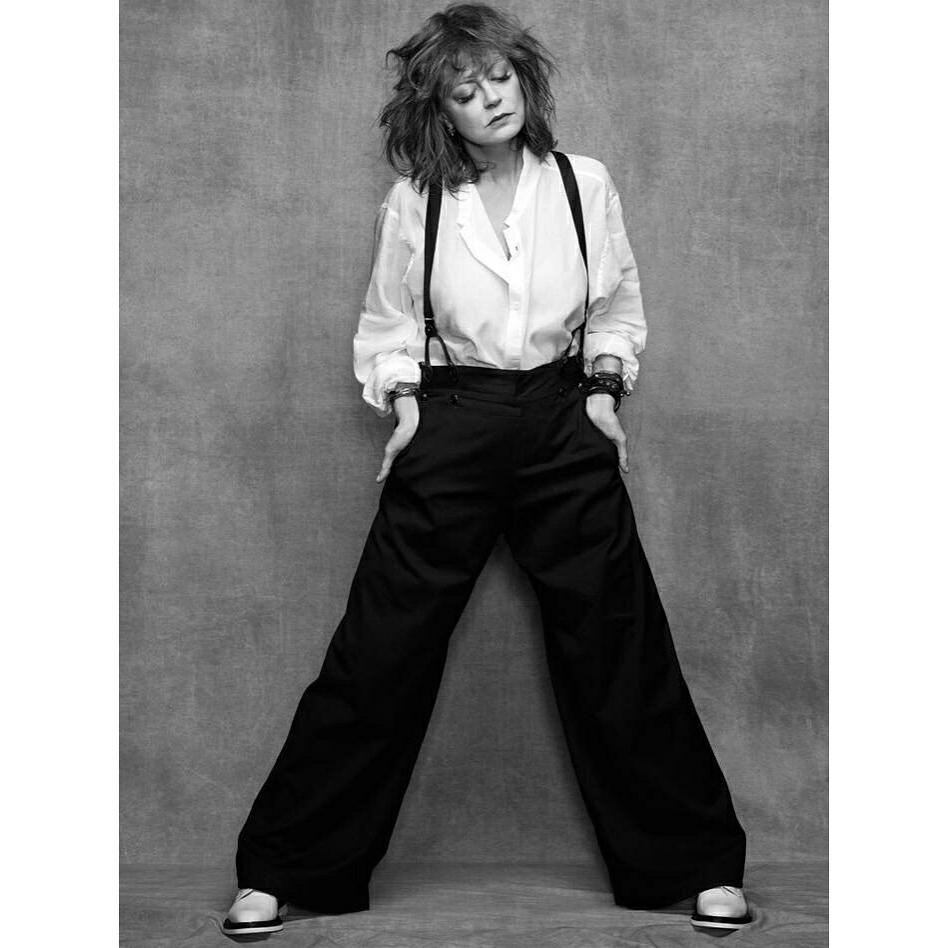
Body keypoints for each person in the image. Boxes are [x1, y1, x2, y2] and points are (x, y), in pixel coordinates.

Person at [223, 2, 752, 937]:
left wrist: (603, 393)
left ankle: (697, 866)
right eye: (465, 92)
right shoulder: (415, 202)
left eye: (500, 78)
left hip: (562, 421)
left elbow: (617, 309)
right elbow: (388, 324)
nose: (490, 100)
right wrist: (406, 404)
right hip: (454, 424)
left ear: (525, 80)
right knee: (380, 653)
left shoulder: (585, 183)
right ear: (440, 111)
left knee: (619, 648)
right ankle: (283, 870)